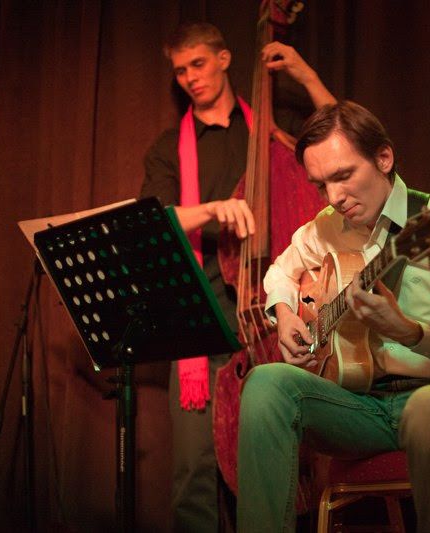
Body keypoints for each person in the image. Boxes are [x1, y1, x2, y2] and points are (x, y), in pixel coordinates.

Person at [236, 101, 430, 533]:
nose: (334, 198)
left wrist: (410, 332)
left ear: (383, 158)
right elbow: (279, 273)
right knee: (267, 383)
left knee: (429, 410)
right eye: (321, 185)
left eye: (343, 176)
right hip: (364, 406)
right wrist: (284, 313)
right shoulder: (326, 227)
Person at [139, 21, 335, 532]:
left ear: (224, 59)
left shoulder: (273, 126)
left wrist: (306, 76)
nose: (190, 77)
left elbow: (344, 140)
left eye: (198, 64)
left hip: (279, 318)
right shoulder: (168, 147)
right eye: (180, 70)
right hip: (204, 322)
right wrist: (212, 209)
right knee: (192, 473)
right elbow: (156, 220)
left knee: (291, 465)